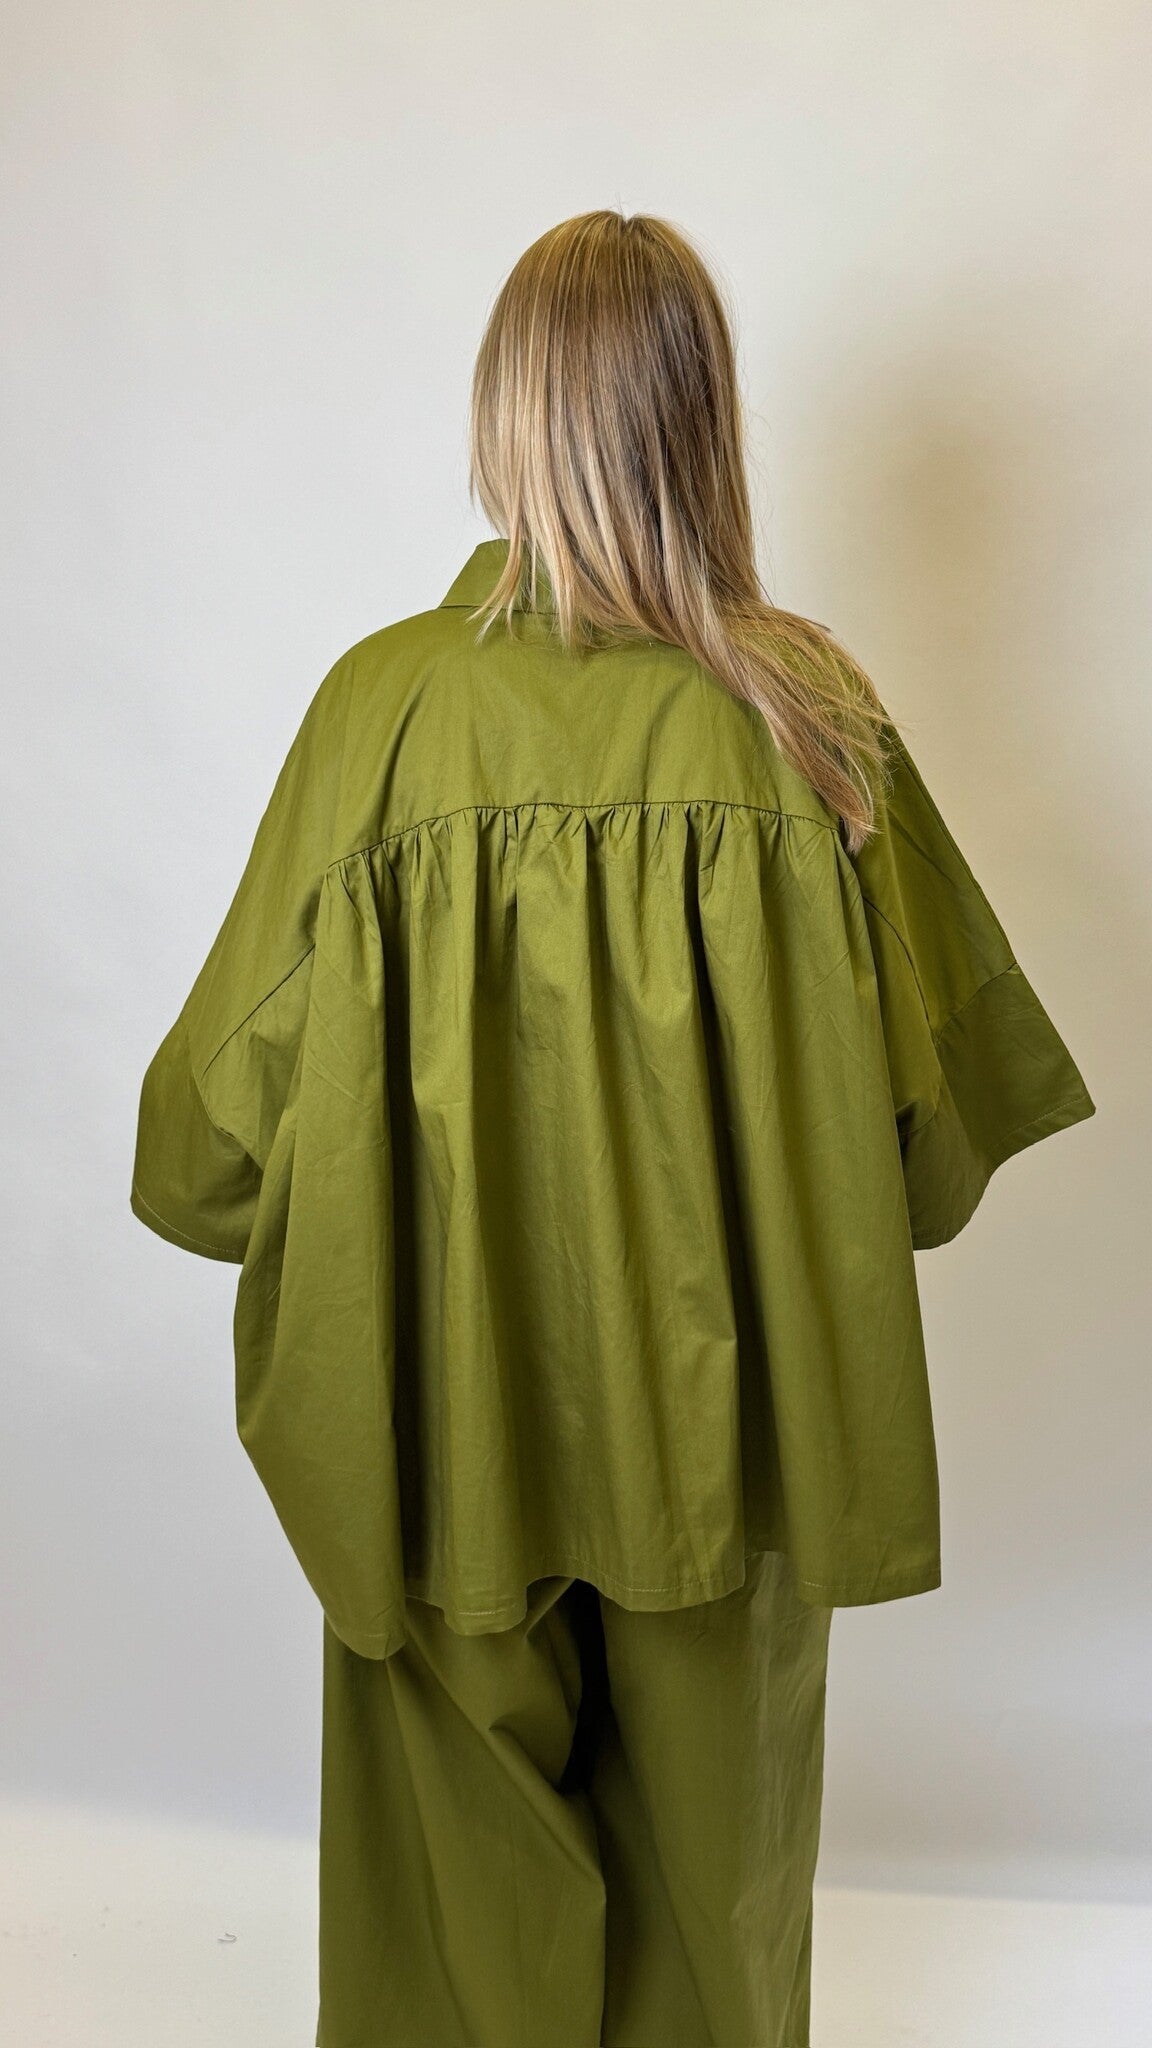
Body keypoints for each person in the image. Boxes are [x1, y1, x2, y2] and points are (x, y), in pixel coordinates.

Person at [130, 211, 1096, 2048]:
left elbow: (206, 1150)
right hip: (731, 1448)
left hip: (441, 1425)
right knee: (716, 1927)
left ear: (506, 418)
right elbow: (926, 1142)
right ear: (700, 424)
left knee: (451, 1942)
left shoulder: (382, 718)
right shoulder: (810, 721)